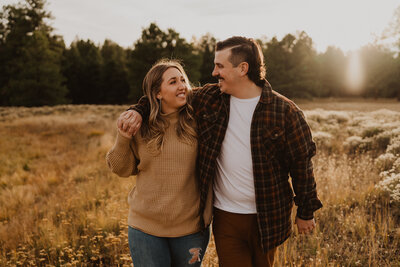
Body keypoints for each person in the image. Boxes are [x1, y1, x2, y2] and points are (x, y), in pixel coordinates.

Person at [120, 36, 323, 267]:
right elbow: (169, 94)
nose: (214, 72)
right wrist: (138, 110)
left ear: (242, 69)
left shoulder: (285, 112)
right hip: (225, 215)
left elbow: (302, 165)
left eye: (220, 66)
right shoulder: (210, 99)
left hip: (268, 215)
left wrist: (306, 211)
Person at [106, 60, 211, 267]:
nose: (182, 86)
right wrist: (123, 137)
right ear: (157, 93)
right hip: (145, 229)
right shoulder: (140, 125)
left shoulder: (199, 120)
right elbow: (120, 168)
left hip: (191, 230)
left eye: (183, 80)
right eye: (173, 82)